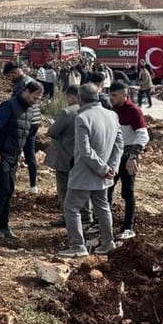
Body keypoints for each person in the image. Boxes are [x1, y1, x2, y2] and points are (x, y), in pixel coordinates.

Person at [58, 84, 123, 258]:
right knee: (103, 208)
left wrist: (102, 169)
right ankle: (108, 243)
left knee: (71, 208)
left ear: (80, 98)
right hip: (105, 174)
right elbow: (119, 145)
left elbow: (85, 151)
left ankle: (78, 245)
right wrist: (112, 168)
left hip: (85, 174)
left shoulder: (83, 118)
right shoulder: (112, 115)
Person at [0, 78, 43, 239]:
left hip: (14, 157)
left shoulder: (30, 111)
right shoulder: (9, 106)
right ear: (26, 92)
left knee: (9, 190)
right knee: (2, 188)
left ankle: (3, 225)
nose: (35, 101)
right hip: (1, 154)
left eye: (38, 99)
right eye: (34, 98)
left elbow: (28, 136)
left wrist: (27, 156)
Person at [107, 81, 148, 240]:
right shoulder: (111, 110)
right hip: (113, 156)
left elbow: (143, 135)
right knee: (107, 190)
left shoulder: (134, 111)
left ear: (125, 95)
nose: (111, 98)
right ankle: (104, 222)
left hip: (127, 157)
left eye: (115, 95)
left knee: (127, 192)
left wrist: (133, 156)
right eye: (110, 95)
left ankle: (128, 227)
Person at [44, 85, 82, 226]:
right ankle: (85, 215)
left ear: (71, 96)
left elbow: (53, 132)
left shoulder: (68, 112)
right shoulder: (87, 111)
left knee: (65, 190)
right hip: (80, 158)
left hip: (65, 157)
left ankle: (68, 218)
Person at [3, 61, 40, 193]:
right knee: (30, 152)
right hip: (35, 121)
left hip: (26, 121)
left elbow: (16, 106)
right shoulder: (31, 80)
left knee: (16, 151)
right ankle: (33, 185)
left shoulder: (21, 85)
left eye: (9, 76)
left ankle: (10, 184)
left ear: (15, 72)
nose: (10, 79)